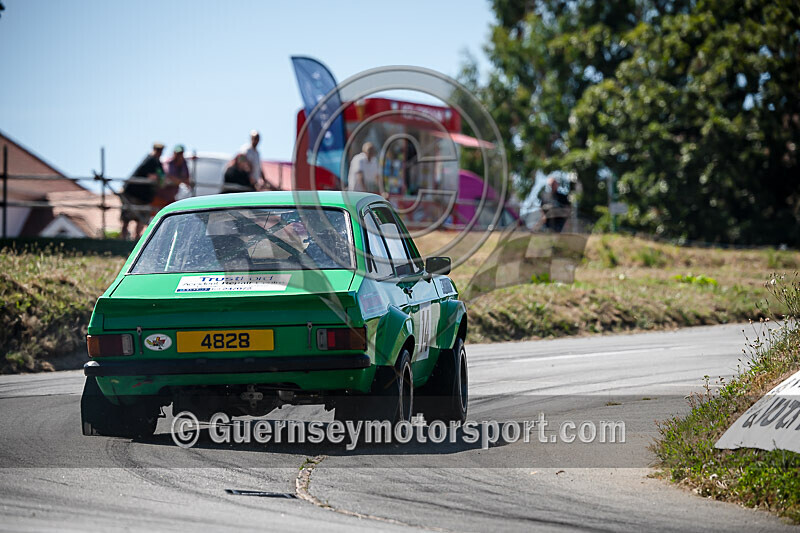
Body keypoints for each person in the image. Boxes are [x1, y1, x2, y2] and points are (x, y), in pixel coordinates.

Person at [120, 142, 164, 240]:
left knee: (141, 219)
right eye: (158, 150)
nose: (159, 152)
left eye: (160, 150)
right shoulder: (149, 160)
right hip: (133, 194)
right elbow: (153, 176)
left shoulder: (156, 162)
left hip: (144, 197)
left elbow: (161, 176)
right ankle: (123, 239)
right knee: (127, 218)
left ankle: (136, 239)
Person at [152, 144, 191, 211]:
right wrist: (181, 181)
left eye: (180, 153)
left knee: (172, 213)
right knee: (155, 215)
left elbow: (187, 180)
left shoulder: (184, 164)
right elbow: (167, 176)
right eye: (177, 153)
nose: (179, 155)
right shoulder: (168, 163)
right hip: (160, 196)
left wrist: (178, 181)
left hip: (171, 197)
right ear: (174, 153)